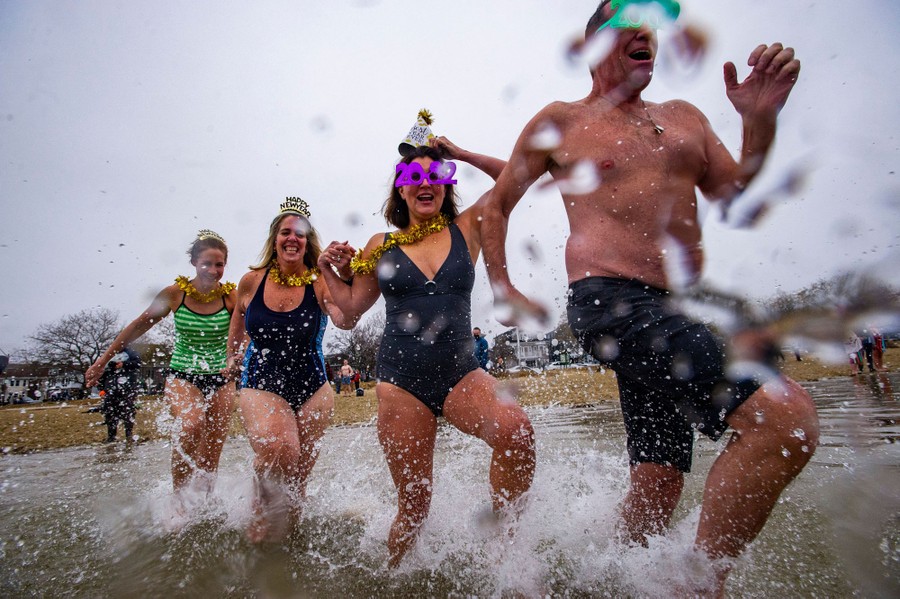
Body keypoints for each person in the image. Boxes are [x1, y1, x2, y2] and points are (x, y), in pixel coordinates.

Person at [480, 2, 819, 593]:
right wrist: (503, 283)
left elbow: (732, 188)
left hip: (671, 309)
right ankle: (698, 585)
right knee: (785, 420)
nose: (646, 35)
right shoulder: (560, 119)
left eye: (652, 26)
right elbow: (498, 204)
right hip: (608, 302)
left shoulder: (684, 118)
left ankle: (610, 581)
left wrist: (760, 121)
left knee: (659, 482)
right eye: (626, 24)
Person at [318, 139, 536, 567]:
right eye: (413, 177)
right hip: (402, 384)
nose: (425, 183)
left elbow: (518, 176)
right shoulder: (380, 244)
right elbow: (347, 314)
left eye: (435, 176)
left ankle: (505, 553)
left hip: (463, 376)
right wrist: (328, 270)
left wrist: (460, 154)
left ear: (446, 184)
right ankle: (391, 576)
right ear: (400, 189)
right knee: (415, 509)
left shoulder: (469, 226)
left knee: (517, 432)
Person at [226, 198, 353, 543]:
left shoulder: (319, 283)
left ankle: (289, 538)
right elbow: (239, 316)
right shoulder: (251, 281)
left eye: (300, 233)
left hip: (313, 386)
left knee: (297, 476)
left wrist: (347, 274)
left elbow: (345, 319)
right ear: (275, 238)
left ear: (308, 242)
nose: (292, 238)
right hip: (261, 382)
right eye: (286, 232)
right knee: (280, 451)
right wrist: (232, 356)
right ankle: (260, 515)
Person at [86, 230, 237, 491]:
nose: (213, 271)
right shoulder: (174, 293)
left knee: (212, 450)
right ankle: (179, 498)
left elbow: (245, 331)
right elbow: (138, 326)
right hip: (183, 375)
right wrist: (103, 360)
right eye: (206, 264)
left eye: (219, 264)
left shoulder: (230, 296)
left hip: (222, 379)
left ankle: (205, 503)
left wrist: (235, 356)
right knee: (191, 425)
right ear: (193, 263)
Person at [98, 347, 141, 442]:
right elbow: (102, 373)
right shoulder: (108, 354)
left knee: (128, 413)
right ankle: (111, 437)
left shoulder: (131, 353)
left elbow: (138, 364)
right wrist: (101, 388)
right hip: (110, 390)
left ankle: (129, 436)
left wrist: (124, 364)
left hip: (127, 389)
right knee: (110, 413)